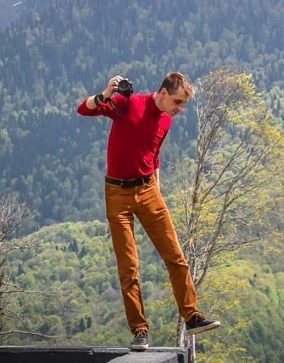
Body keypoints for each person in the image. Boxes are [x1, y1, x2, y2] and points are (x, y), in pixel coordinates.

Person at [77, 71, 220, 350]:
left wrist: (157, 190)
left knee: (175, 256)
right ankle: (139, 330)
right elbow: (84, 109)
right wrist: (104, 94)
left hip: (149, 191)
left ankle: (191, 316)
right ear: (164, 92)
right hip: (117, 194)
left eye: (183, 105)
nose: (179, 110)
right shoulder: (129, 104)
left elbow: (154, 155)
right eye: (177, 102)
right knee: (128, 266)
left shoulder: (166, 120)